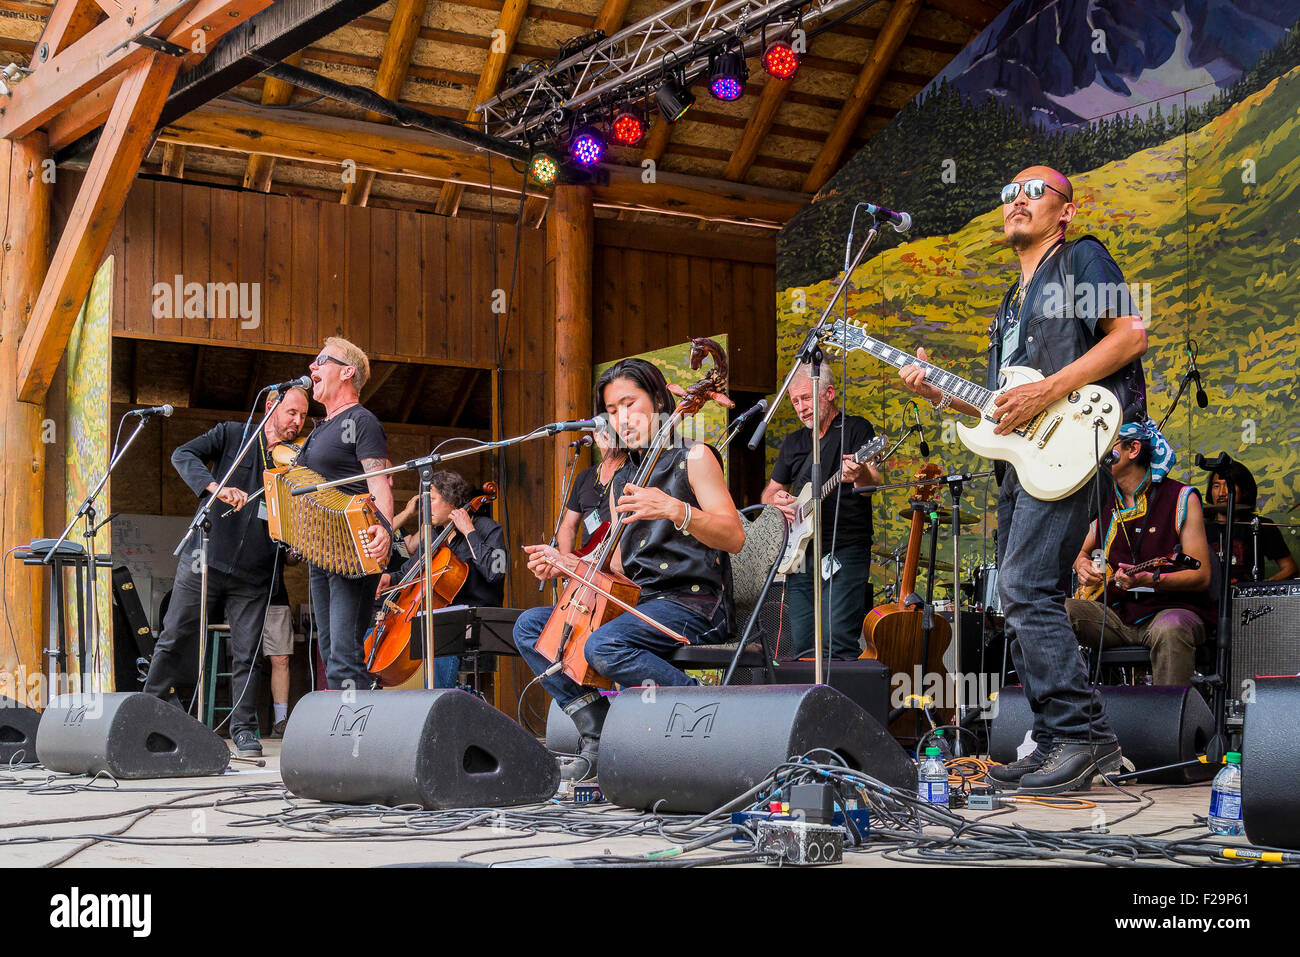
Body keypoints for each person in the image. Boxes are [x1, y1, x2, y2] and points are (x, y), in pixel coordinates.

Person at [899, 165, 1148, 795]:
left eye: (1033, 191)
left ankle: (1085, 735)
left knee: (1025, 586)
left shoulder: (1082, 261)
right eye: (1008, 191)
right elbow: (1000, 409)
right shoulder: (1010, 304)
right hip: (1024, 460)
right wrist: (939, 393)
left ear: (1065, 211)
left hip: (1074, 446)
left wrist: (1048, 390)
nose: (1016, 200)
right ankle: (1051, 740)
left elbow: (1130, 335)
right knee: (1020, 595)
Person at [513, 358, 745, 782]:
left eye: (629, 403)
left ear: (658, 400)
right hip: (640, 602)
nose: (621, 418)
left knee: (603, 646)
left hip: (693, 603)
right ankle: (598, 731)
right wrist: (570, 565)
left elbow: (733, 536)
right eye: (612, 410)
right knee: (531, 628)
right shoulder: (624, 477)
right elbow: (619, 563)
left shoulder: (694, 455)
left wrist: (676, 509)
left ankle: (706, 714)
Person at [144, 386, 308, 757]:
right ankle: (149, 710)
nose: (297, 422)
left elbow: (294, 516)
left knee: (247, 652)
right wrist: (215, 487)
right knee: (174, 634)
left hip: (256, 572)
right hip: (205, 557)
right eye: (292, 413)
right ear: (271, 406)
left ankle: (244, 727)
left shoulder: (296, 462)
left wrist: (294, 546)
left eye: (302, 416)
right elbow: (182, 454)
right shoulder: (233, 434)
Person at [1066, 422, 1214, 686]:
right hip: (1114, 614)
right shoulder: (1103, 499)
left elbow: (1201, 575)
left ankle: (1168, 720)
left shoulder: (1181, 497)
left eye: (1106, 444)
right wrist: (1082, 564)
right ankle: (1067, 711)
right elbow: (1081, 550)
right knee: (1054, 613)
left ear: (1133, 448)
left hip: (1168, 612)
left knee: (1172, 628)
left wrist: (1150, 580)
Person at [761, 363, 883, 658]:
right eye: (795, 401)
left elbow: (871, 484)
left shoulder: (856, 429)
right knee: (803, 643)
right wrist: (776, 500)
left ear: (828, 393)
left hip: (844, 548)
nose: (800, 408)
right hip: (801, 553)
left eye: (806, 398)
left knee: (837, 638)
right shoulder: (794, 442)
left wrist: (858, 474)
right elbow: (767, 494)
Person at [297, 337, 393, 691]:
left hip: (353, 547)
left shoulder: (362, 421)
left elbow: (379, 482)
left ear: (347, 371)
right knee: (329, 649)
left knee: (344, 654)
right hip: (321, 550)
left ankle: (355, 739)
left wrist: (384, 528)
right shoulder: (321, 427)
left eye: (322, 360)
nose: (312, 367)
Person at [376, 471, 506, 688]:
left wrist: (469, 532)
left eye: (432, 500)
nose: (427, 507)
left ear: (453, 501)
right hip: (440, 624)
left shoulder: (488, 528)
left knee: (437, 642)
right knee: (378, 635)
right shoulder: (436, 534)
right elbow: (410, 572)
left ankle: (438, 706)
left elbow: (496, 572)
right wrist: (390, 578)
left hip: (473, 624)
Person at [1203, 462, 1298, 582]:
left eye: (1229, 485)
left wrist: (1262, 587)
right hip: (1210, 598)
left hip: (1247, 599)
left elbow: (1290, 568)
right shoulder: (1200, 527)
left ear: (1243, 491)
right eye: (1216, 486)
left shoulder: (1261, 525)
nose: (1221, 493)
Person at [557, 425, 631, 555]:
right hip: (586, 561)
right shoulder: (584, 477)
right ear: (596, 436)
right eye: (607, 431)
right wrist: (565, 562)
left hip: (614, 560)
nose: (611, 436)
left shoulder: (633, 472)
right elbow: (568, 526)